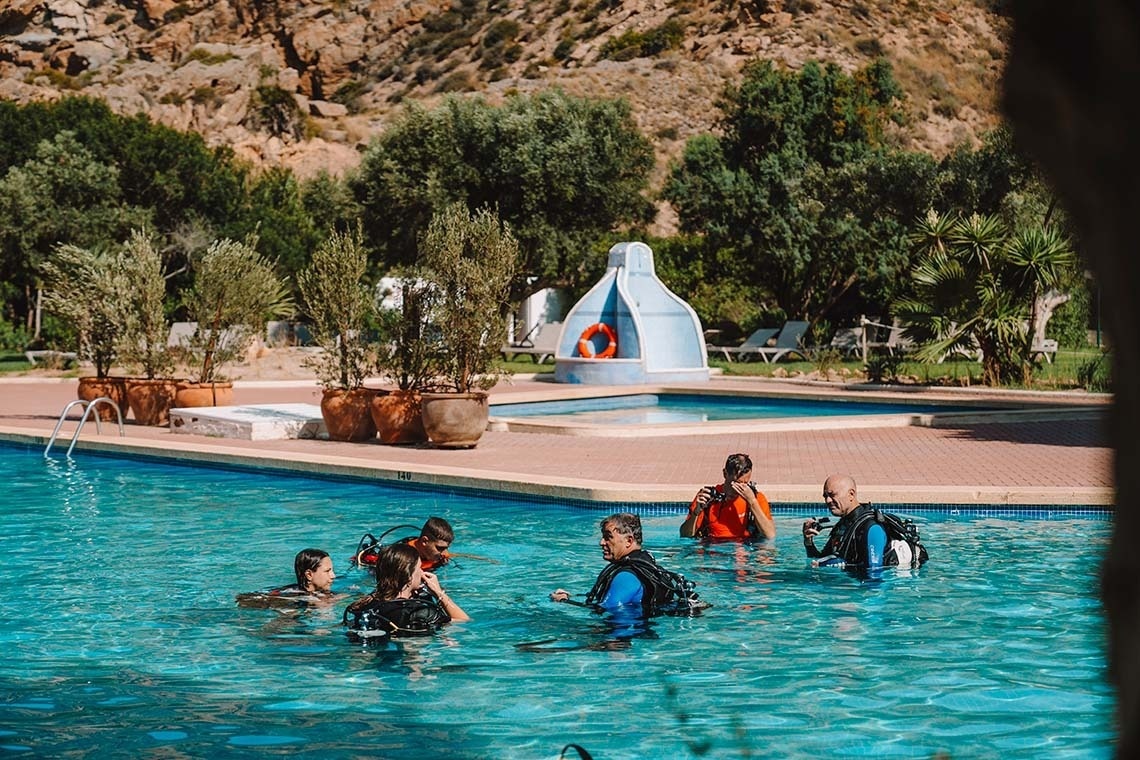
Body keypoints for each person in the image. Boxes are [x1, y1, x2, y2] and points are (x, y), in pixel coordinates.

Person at [551, 513, 702, 616]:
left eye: (608, 537)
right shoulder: (645, 562)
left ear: (629, 541)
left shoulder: (626, 576)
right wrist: (574, 596)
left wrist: (564, 601)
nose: (601, 542)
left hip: (622, 636)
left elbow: (603, 610)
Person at [802, 474, 928, 576]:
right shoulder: (844, 525)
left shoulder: (871, 527)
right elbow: (819, 561)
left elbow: (874, 573)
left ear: (851, 494)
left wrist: (840, 565)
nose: (828, 501)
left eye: (832, 495)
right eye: (825, 496)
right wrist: (808, 542)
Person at [343, 542, 470, 641]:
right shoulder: (418, 612)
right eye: (419, 568)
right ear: (409, 576)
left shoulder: (364, 604)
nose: (422, 572)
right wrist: (438, 593)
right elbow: (463, 622)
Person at [680, 453, 776, 540]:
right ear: (725, 474)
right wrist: (696, 513)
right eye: (737, 483)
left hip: (744, 552)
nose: (741, 488)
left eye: (745, 483)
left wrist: (752, 502)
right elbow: (685, 535)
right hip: (714, 553)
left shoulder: (756, 498)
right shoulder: (708, 497)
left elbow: (770, 535)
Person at [236, 548, 338, 608]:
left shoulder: (329, 595)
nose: (333, 576)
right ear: (309, 575)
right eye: (327, 571)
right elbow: (242, 599)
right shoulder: (290, 597)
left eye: (332, 571)